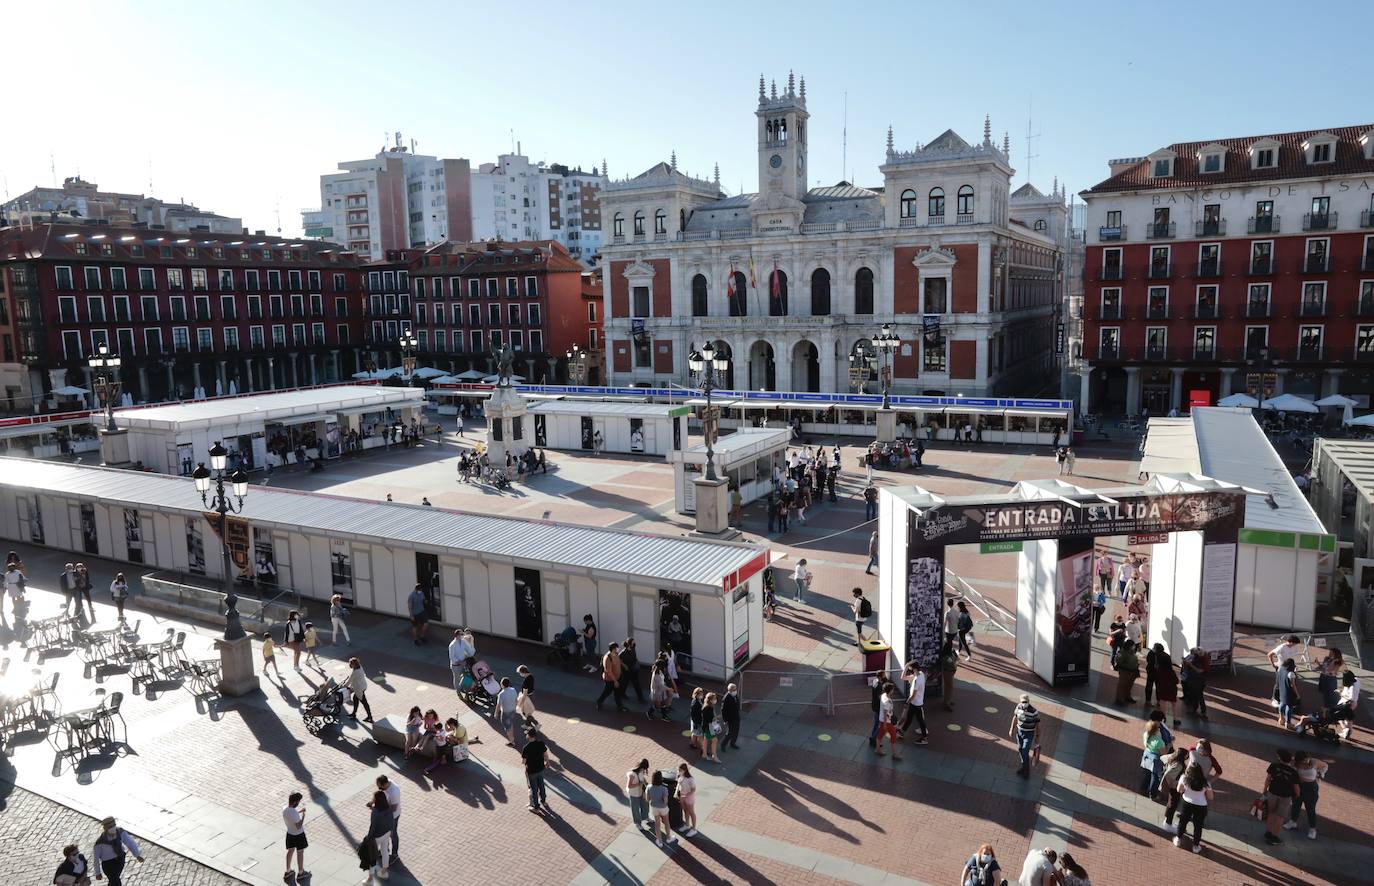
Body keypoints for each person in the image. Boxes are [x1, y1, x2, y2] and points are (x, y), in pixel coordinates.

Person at [1283, 749, 1327, 840]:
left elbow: (1325, 765)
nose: (1305, 763)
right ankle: (1293, 822)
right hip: (1298, 786)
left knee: (1310, 809)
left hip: (1311, 788)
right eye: (1303, 762)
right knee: (1296, 805)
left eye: (1306, 761)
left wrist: (1321, 775)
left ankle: (1312, 829)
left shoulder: (1314, 762)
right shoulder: (1294, 762)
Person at [1262, 748, 1301, 845]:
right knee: (1280, 817)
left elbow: (1268, 779)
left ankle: (1268, 832)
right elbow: (1296, 787)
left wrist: (1264, 791)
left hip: (1272, 792)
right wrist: (1297, 795)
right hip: (1285, 796)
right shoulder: (1293, 772)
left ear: (1280, 758)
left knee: (1271, 813)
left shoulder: (1274, 766)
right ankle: (1274, 837)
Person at [92, 817, 144, 886]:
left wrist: (137, 855)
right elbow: (96, 859)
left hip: (120, 860)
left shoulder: (120, 832)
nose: (113, 828)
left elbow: (130, 842)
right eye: (110, 827)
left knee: (114, 880)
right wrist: (97, 873)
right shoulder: (99, 843)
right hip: (108, 864)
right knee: (115, 880)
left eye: (114, 825)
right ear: (105, 828)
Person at [1173, 763, 1213, 853]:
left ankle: (1178, 839)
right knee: (1198, 826)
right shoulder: (1205, 782)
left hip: (1187, 803)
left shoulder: (1184, 778)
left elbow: (1179, 790)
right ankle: (1195, 846)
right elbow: (1210, 797)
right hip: (1201, 806)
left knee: (1183, 822)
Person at [1138, 712, 1174, 799]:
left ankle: (1143, 789)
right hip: (1156, 759)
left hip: (1147, 755)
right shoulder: (1159, 741)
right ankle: (1153, 794)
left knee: (1147, 774)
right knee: (1155, 777)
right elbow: (1164, 752)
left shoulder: (1146, 735)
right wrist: (1169, 745)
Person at [1159, 748, 1190, 833]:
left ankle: (1167, 821)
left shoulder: (1172, 758)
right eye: (1186, 755)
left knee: (1171, 803)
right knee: (1173, 804)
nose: (1188, 756)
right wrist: (1173, 783)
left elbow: (1162, 758)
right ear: (1182, 756)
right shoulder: (1179, 765)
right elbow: (1168, 775)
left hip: (1173, 786)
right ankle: (1168, 824)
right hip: (1174, 787)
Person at [1010, 693, 1041, 777]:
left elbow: (1037, 725)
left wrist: (1037, 736)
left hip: (1029, 734)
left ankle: (1026, 771)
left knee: (1025, 750)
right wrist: (1011, 729)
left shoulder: (1034, 712)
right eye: (1022, 701)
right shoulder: (1018, 707)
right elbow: (1015, 718)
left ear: (1028, 701)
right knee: (1020, 749)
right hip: (1019, 732)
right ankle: (1024, 767)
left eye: (1025, 701)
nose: (1024, 703)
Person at [521, 727, 551, 812]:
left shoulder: (526, 748)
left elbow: (523, 761)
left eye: (527, 734)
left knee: (534, 789)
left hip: (531, 771)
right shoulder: (541, 743)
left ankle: (536, 807)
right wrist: (547, 762)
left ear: (529, 736)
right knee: (541, 785)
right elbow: (545, 754)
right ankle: (544, 801)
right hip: (541, 769)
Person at [897, 665, 928, 745]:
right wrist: (907, 666)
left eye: (910, 667)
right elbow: (903, 677)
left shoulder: (917, 680)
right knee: (910, 718)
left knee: (920, 720)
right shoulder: (920, 674)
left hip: (916, 703)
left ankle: (924, 738)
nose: (909, 669)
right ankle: (902, 732)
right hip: (915, 703)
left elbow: (913, 695)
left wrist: (907, 702)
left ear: (914, 669)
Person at [364, 791, 391, 882]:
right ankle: (384, 872)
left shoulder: (375, 812)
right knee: (385, 851)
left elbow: (373, 826)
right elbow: (389, 818)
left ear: (376, 800)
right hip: (386, 832)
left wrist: (369, 838)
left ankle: (370, 879)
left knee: (372, 857)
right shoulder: (388, 807)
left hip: (377, 836)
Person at [282, 791, 309, 881]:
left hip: (290, 834)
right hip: (299, 835)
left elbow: (292, 813)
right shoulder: (294, 813)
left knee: (290, 851)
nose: (298, 803)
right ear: (295, 802)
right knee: (300, 852)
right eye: (298, 801)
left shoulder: (285, 809)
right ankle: (301, 873)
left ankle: (288, 871)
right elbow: (298, 826)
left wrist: (299, 812)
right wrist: (303, 816)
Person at [1152, 645, 1180, 727]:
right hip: (1172, 689)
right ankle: (1175, 719)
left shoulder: (1159, 671)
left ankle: (1163, 718)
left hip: (1162, 688)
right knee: (1174, 703)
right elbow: (1176, 681)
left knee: (1163, 702)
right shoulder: (1171, 672)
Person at [646, 770, 674, 848]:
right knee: (666, 822)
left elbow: (647, 799)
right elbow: (665, 801)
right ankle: (669, 838)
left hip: (654, 807)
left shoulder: (649, 787)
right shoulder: (664, 789)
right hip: (663, 808)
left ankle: (659, 841)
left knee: (657, 824)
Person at [875, 681, 903, 759]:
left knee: (880, 735)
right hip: (887, 721)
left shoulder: (883, 695)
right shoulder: (887, 701)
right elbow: (885, 712)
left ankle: (877, 749)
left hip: (882, 720)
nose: (893, 690)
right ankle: (894, 754)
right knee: (893, 735)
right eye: (893, 689)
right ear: (890, 690)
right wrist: (885, 724)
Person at [595, 642, 626, 711]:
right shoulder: (607, 658)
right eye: (616, 648)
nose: (618, 649)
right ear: (613, 649)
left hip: (617, 677)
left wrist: (623, 666)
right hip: (610, 680)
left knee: (617, 692)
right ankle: (599, 702)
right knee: (607, 692)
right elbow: (608, 671)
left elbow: (618, 662)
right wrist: (615, 681)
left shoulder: (616, 654)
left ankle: (619, 706)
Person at [1181, 647, 1210, 720]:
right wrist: (1185, 662)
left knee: (1199, 696)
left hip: (1200, 680)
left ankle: (1203, 712)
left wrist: (1191, 665)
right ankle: (1194, 709)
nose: (1195, 655)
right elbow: (1189, 665)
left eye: (1196, 654)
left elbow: (1200, 671)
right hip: (1192, 679)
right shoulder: (1196, 657)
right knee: (1193, 694)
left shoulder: (1205, 660)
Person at [346, 657, 373, 722]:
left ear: (354, 664)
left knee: (364, 703)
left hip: (359, 689)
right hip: (363, 686)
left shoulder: (355, 672)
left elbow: (349, 681)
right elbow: (354, 679)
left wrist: (343, 687)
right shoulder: (360, 667)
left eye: (351, 664)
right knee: (355, 699)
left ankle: (370, 717)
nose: (350, 665)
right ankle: (354, 714)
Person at [1276, 658, 1301, 730]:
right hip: (1289, 693)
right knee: (1289, 707)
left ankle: (1281, 718)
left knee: (1282, 703)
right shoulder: (1291, 673)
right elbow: (1293, 685)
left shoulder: (1281, 668)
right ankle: (1288, 723)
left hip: (1282, 690)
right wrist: (1297, 694)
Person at [619, 638, 646, 704]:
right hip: (627, 670)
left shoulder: (633, 649)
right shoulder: (623, 652)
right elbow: (619, 660)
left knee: (636, 683)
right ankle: (621, 693)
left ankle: (640, 697)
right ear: (629, 644)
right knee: (625, 682)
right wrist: (624, 666)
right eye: (633, 642)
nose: (634, 644)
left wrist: (636, 662)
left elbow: (634, 657)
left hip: (633, 669)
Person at [494, 677, 519, 745]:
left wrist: (496, 713)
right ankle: (512, 737)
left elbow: (498, 705)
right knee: (510, 723)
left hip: (505, 713)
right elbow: (516, 700)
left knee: (507, 728)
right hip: (513, 710)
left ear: (502, 685)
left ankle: (512, 741)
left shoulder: (501, 694)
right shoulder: (513, 690)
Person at [626, 759, 650, 829]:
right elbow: (629, 786)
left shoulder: (641, 771)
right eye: (644, 768)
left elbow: (643, 779)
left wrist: (646, 784)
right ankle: (637, 823)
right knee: (635, 809)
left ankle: (645, 817)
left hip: (641, 792)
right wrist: (639, 784)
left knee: (645, 805)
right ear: (641, 767)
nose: (644, 770)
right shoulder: (632, 775)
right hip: (633, 794)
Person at [1114, 639, 1140, 705]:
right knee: (1122, 686)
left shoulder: (1132, 651)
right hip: (1125, 671)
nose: (1134, 647)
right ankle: (1119, 699)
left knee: (1129, 685)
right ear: (1129, 646)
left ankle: (1127, 697)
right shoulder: (1122, 652)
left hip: (1133, 671)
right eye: (1133, 645)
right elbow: (1118, 661)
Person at [676, 762, 699, 836]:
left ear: (685, 770)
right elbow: (678, 785)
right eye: (678, 770)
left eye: (680, 770)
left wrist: (686, 795)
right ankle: (687, 824)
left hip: (688, 798)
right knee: (685, 811)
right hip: (682, 797)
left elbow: (693, 789)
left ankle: (694, 829)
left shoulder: (690, 779)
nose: (679, 772)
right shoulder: (680, 777)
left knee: (691, 812)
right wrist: (676, 793)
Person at [939, 639, 960, 711]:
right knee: (949, 687)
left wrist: (956, 661)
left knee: (948, 688)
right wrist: (956, 661)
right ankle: (946, 704)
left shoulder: (951, 652)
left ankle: (948, 701)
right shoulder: (946, 656)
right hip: (948, 672)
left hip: (951, 672)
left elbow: (957, 659)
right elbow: (954, 663)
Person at [701, 691, 722, 762]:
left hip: (706, 727)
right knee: (715, 740)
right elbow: (709, 719)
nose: (715, 700)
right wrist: (716, 718)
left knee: (705, 740)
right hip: (709, 727)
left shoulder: (707, 706)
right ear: (710, 700)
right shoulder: (708, 708)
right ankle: (714, 756)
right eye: (714, 699)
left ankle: (704, 754)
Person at [722, 682, 741, 750]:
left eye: (735, 689)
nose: (735, 691)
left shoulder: (735, 695)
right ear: (729, 690)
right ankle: (723, 745)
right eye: (733, 690)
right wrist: (725, 720)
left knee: (736, 731)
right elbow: (723, 710)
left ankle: (733, 743)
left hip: (736, 717)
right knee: (730, 732)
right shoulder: (726, 698)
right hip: (730, 719)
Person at [689, 686, 706, 753]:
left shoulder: (696, 701)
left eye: (702, 694)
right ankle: (703, 749)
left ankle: (692, 744)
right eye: (700, 694)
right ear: (696, 694)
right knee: (701, 736)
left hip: (695, 721)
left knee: (695, 733)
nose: (702, 695)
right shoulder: (696, 703)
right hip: (697, 722)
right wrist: (696, 723)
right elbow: (694, 714)